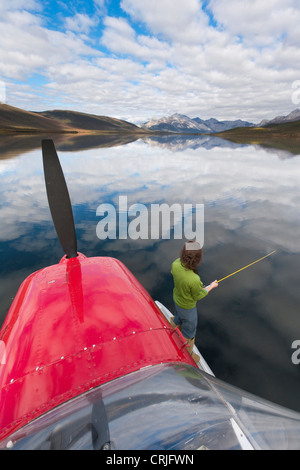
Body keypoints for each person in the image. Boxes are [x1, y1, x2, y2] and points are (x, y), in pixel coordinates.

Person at [170, 241, 218, 362]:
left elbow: (181, 279)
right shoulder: (194, 279)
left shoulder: (175, 264)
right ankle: (188, 353)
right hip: (188, 308)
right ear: (197, 259)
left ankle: (173, 325)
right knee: (190, 330)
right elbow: (198, 295)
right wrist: (211, 286)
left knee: (178, 316)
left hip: (177, 299)